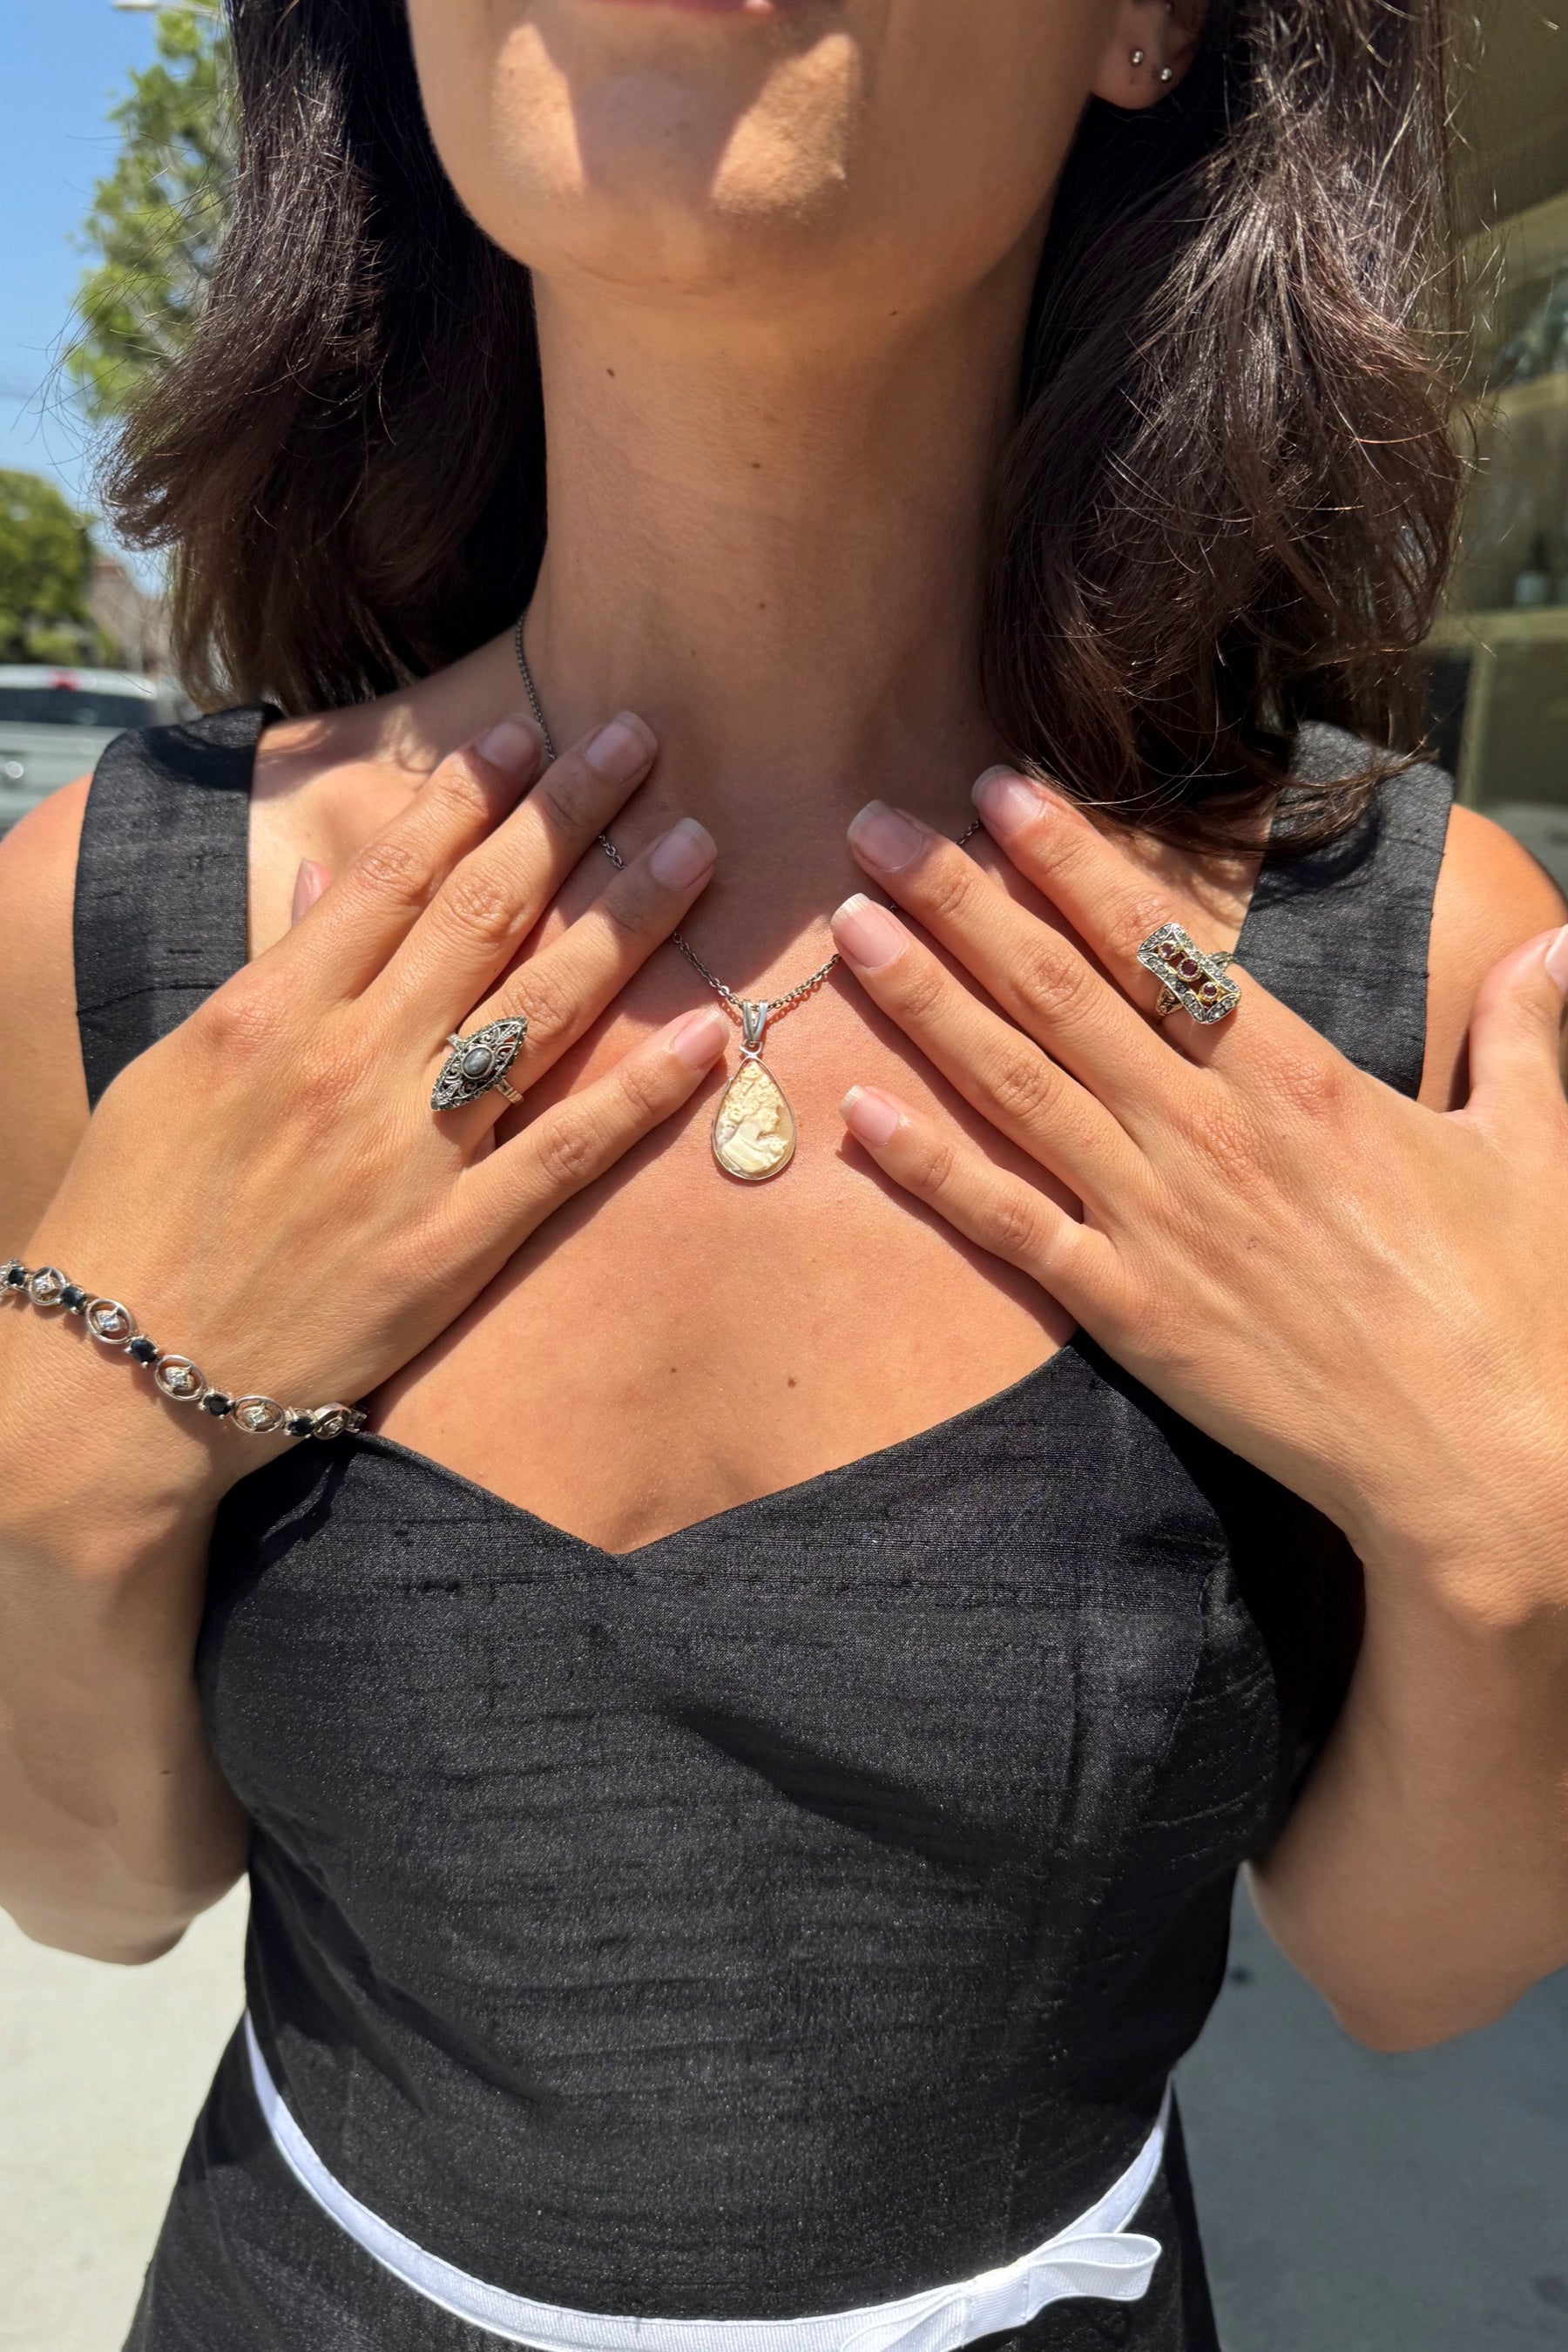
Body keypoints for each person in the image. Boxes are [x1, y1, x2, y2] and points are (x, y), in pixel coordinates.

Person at [2, 3, 1565, 2347]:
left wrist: (1517, 1543)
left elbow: (1411, 1961)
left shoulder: (1425, 982)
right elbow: (94, 1884)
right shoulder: (102, 928)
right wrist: (63, 1451)